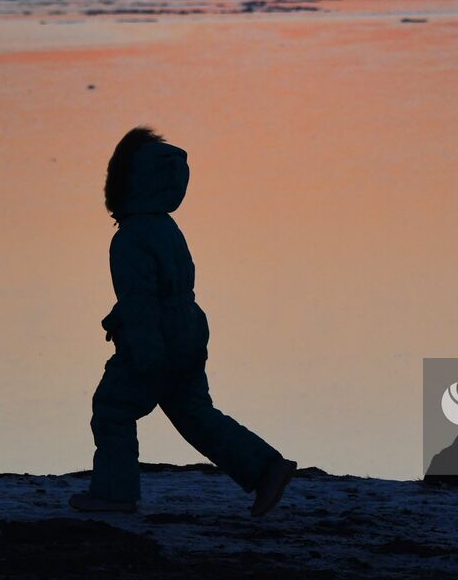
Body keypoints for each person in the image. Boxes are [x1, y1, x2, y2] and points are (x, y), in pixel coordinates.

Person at [70, 126, 295, 516]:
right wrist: (121, 317)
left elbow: (142, 303)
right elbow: (164, 290)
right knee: (193, 412)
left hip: (156, 340)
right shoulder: (165, 227)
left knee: (113, 408)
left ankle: (114, 493)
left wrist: (145, 354)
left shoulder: (130, 238)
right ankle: (265, 468)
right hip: (187, 330)